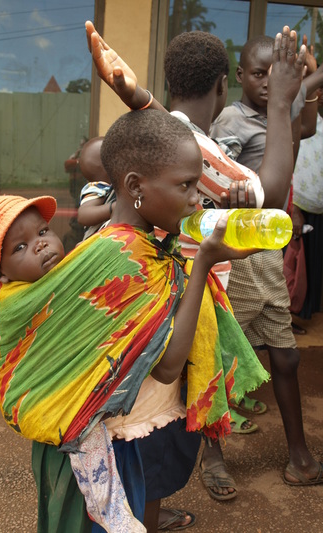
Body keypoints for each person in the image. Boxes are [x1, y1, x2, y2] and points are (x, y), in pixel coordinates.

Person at [0, 109, 268, 533]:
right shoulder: (118, 259)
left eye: (197, 185)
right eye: (185, 185)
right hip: (108, 440)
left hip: (144, 424)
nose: (196, 198)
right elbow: (167, 367)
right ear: (135, 187)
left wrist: (227, 232)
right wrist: (202, 264)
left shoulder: (146, 246)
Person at [85, 21, 309, 506]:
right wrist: (280, 103)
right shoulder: (193, 147)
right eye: (186, 187)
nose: (193, 195)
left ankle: (146, 507)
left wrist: (136, 94)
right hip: (177, 307)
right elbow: (271, 195)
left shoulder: (173, 136)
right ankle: (144, 509)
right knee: (157, 425)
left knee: (151, 424)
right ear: (224, 86)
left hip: (168, 303)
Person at [210, 35, 323, 487]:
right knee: (219, 356)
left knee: (286, 356)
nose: (266, 83)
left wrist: (305, 78)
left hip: (268, 252)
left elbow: (307, 127)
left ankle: (299, 457)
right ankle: (211, 455)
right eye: (259, 74)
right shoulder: (231, 121)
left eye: (274, 76)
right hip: (237, 255)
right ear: (239, 76)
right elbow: (223, 184)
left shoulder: (279, 111)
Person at [291, 87, 323, 321]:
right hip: (297, 209)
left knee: (311, 269)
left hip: (318, 209)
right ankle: (290, 319)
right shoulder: (296, 126)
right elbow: (290, 170)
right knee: (293, 267)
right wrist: (294, 209)